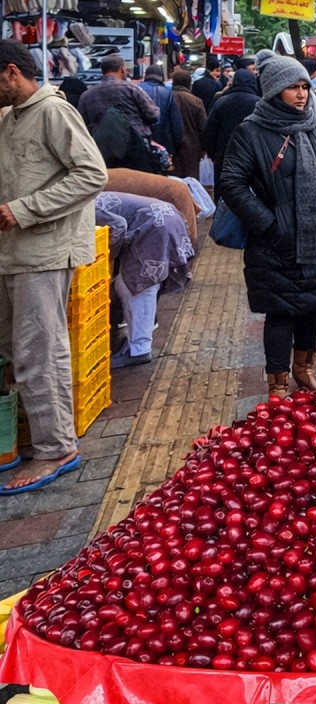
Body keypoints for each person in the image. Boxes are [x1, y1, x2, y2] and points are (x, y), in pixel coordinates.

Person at [0, 38, 107, 494]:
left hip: (42, 251)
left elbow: (91, 174)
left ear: (10, 72)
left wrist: (24, 209)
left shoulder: (53, 111)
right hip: (15, 252)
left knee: (37, 350)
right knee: (19, 348)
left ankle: (55, 447)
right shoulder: (11, 116)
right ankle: (43, 438)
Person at [218, 55, 316, 396]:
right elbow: (232, 183)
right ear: (274, 90)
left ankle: (304, 368)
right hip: (275, 241)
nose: (301, 94)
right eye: (292, 87)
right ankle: (276, 381)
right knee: (280, 312)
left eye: (305, 86)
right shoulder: (251, 131)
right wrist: (269, 223)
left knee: (313, 303)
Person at [97, 192, 196, 368]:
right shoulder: (90, 197)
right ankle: (138, 342)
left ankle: (139, 349)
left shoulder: (81, 205)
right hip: (163, 218)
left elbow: (118, 226)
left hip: (154, 225)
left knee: (135, 285)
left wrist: (108, 258)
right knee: (134, 283)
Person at [203, 68, 261, 191]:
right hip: (252, 155)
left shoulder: (222, 101)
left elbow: (210, 129)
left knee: (223, 188)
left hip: (224, 153)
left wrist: (212, 153)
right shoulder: (259, 103)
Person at [77, 55, 159, 138]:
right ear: (122, 69)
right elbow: (153, 115)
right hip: (134, 142)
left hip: (101, 144)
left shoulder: (86, 95)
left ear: (102, 72)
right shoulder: (131, 88)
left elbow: (81, 123)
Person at [169, 68, 207, 180]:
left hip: (171, 147)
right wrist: (204, 148)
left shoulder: (167, 97)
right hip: (192, 147)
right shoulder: (196, 101)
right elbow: (203, 126)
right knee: (191, 181)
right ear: (189, 83)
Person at [140, 65, 184, 160]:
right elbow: (176, 124)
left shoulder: (135, 89)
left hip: (139, 143)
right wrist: (175, 147)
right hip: (163, 143)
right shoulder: (167, 93)